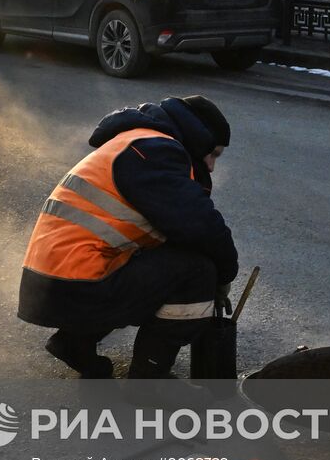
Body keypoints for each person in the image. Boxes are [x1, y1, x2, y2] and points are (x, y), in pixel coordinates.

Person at [18, 96, 239, 379]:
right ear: (199, 138)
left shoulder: (138, 141)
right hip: (74, 285)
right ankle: (148, 381)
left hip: (53, 283)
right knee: (198, 271)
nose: (211, 167)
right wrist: (223, 277)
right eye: (214, 154)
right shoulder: (155, 152)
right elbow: (202, 227)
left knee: (159, 259)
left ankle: (75, 343)